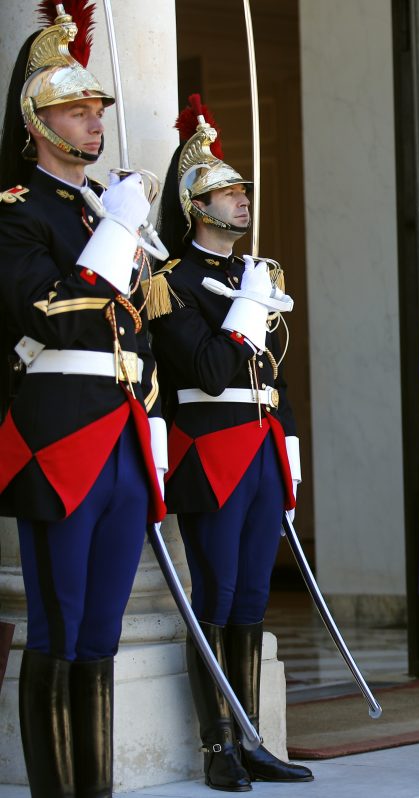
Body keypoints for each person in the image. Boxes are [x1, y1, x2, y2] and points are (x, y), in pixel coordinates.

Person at [0, 6, 166, 796]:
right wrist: (118, 233)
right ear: (38, 121)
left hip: (122, 431)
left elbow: (140, 330)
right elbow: (51, 312)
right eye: (76, 109)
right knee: (59, 625)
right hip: (59, 436)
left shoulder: (103, 208)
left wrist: (120, 224)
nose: (94, 121)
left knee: (102, 632)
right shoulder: (16, 210)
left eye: (97, 108)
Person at [147, 95, 312, 791]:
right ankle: (217, 745)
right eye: (227, 191)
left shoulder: (255, 274)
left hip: (261, 449)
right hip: (210, 451)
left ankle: (251, 739)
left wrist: (291, 454)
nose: (243, 199)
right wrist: (247, 302)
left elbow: (275, 377)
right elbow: (211, 370)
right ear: (196, 205)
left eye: (243, 190)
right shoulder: (171, 283)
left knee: (251, 600)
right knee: (214, 597)